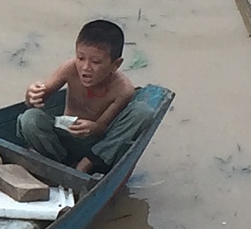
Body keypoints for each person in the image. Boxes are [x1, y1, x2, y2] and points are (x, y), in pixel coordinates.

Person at [17, 19, 156, 175]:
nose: (85, 68)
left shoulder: (123, 89)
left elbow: (103, 128)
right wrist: (31, 95)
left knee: (143, 112)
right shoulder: (69, 68)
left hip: (96, 145)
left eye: (96, 62)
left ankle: (85, 164)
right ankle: (61, 163)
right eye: (80, 58)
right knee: (29, 119)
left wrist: (93, 128)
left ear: (115, 65)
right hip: (65, 135)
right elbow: (40, 98)